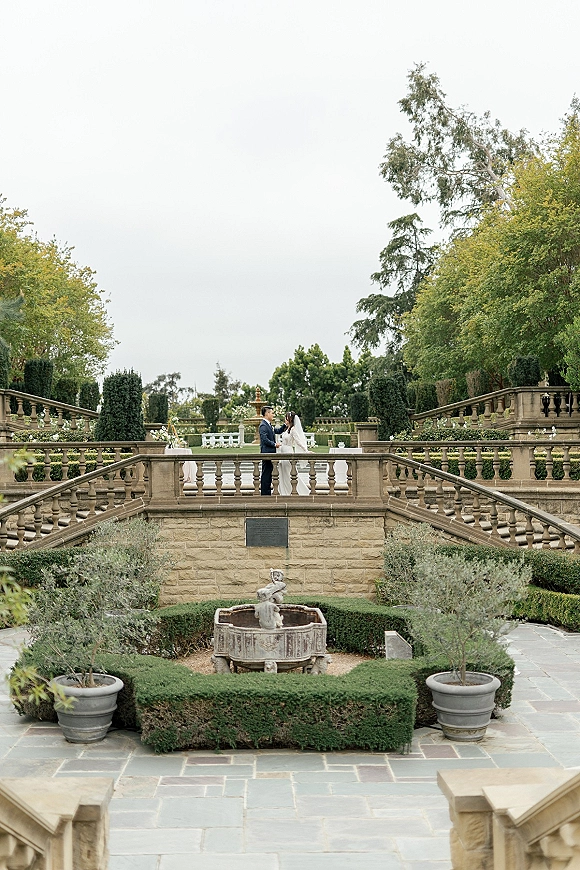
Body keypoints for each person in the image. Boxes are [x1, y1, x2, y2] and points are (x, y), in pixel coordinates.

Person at [278, 411, 310, 496]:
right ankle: (284, 491)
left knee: (290, 473)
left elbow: (298, 442)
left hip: (288, 452)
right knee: (283, 472)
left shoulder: (293, 430)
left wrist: (306, 450)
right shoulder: (286, 429)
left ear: (290, 419)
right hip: (282, 452)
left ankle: (297, 490)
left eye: (286, 418)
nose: (285, 420)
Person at [259, 406, 286, 495]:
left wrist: (285, 425)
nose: (273, 415)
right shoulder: (263, 425)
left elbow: (278, 431)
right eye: (272, 413)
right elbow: (264, 439)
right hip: (266, 453)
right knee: (266, 474)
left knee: (268, 474)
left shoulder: (268, 425)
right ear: (267, 414)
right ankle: (264, 494)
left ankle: (267, 493)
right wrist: (275, 444)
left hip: (270, 453)